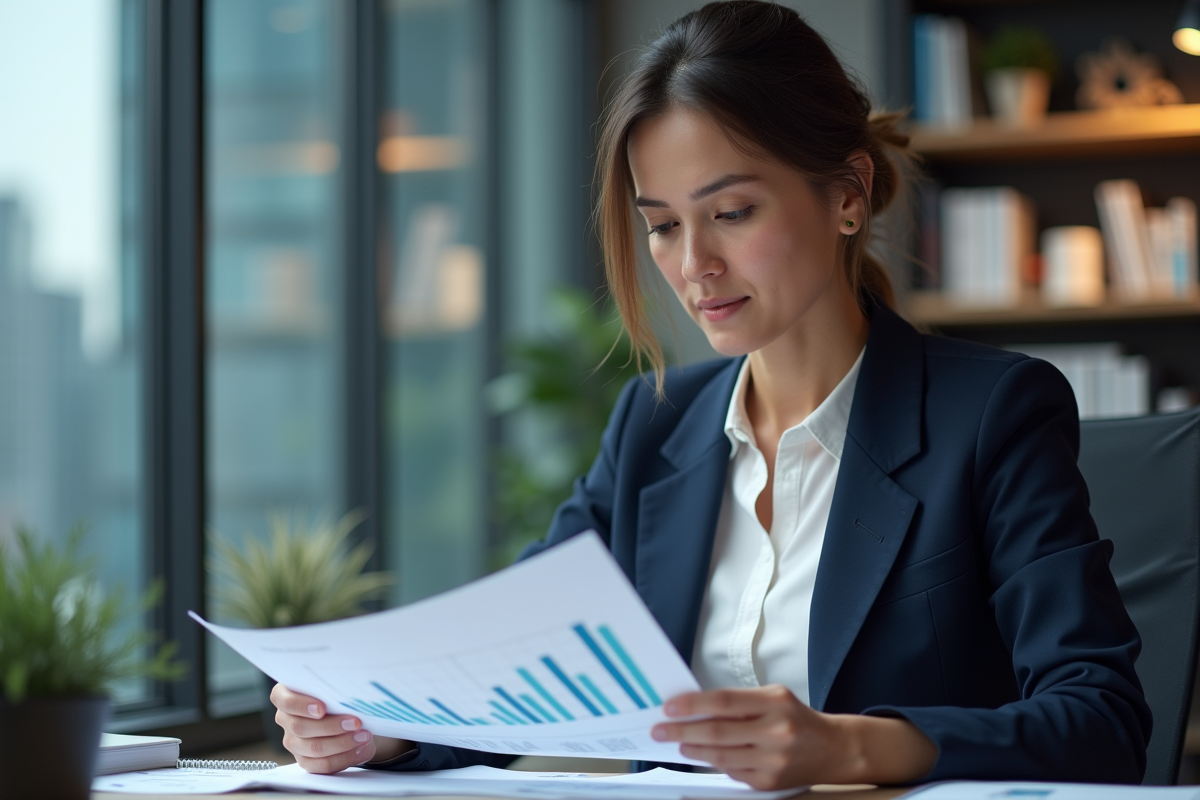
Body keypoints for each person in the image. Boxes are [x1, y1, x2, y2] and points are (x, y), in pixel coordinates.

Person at [270, 1, 1151, 789]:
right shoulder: (655, 427)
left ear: (848, 195)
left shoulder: (991, 412)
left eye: (731, 213)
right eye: (662, 226)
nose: (694, 267)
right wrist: (376, 730)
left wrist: (846, 748)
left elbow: (1100, 721)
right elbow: (516, 672)